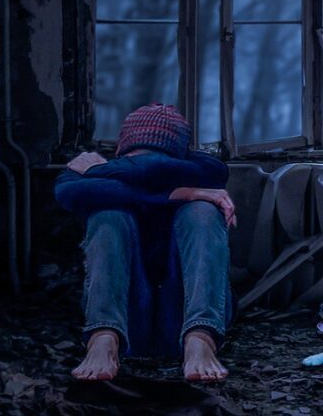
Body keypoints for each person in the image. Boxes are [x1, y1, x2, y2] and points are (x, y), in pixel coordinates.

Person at [55, 103, 236, 382]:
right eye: (136, 156)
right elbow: (69, 192)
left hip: (182, 313)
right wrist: (179, 192)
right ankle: (103, 338)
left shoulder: (203, 169)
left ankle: (201, 339)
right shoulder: (186, 179)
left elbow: (155, 168)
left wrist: (102, 170)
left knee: (203, 211)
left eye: (155, 155)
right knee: (108, 213)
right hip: (128, 319)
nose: (145, 161)